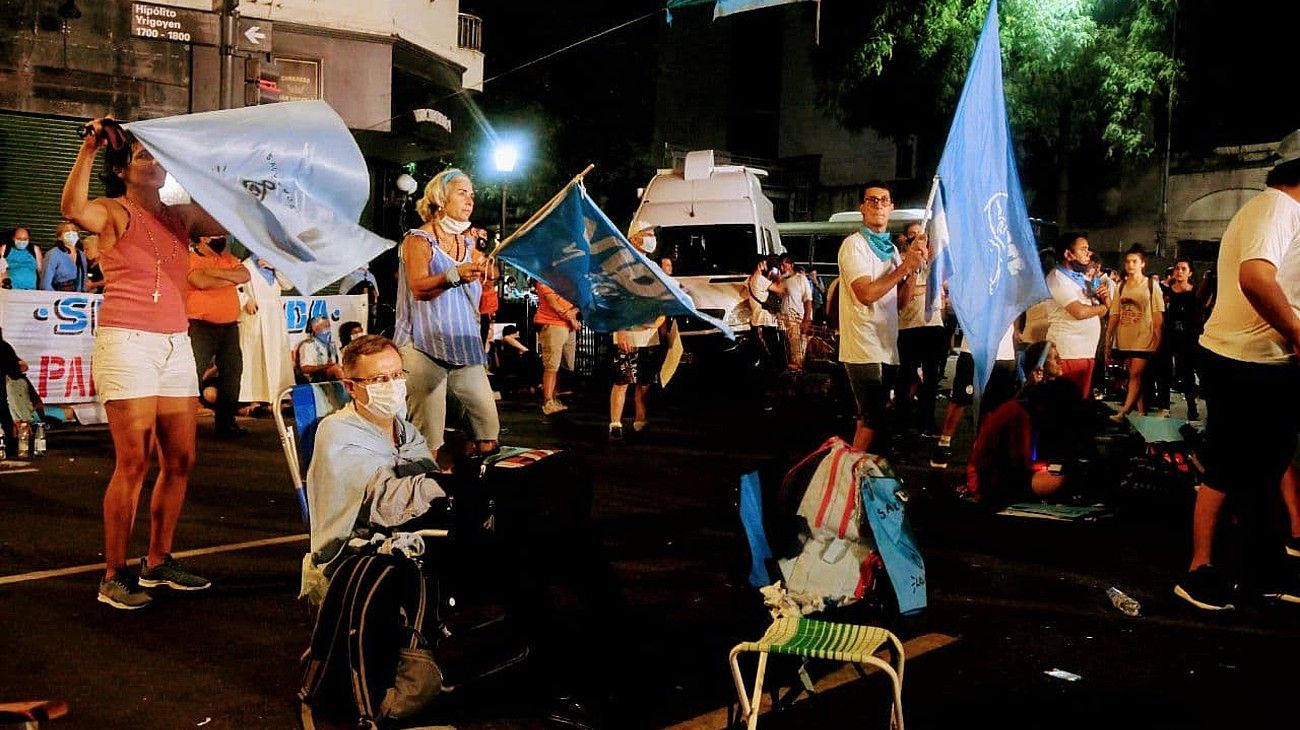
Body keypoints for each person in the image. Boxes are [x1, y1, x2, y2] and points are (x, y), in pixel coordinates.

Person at [62, 117, 225, 609]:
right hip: (127, 341)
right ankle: (114, 574)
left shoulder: (182, 216)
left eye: (157, 156)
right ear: (123, 170)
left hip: (176, 343)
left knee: (181, 459)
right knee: (133, 461)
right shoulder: (113, 211)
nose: (152, 163)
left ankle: (158, 561)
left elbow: (225, 221)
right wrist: (90, 146)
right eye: (142, 157)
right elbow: (71, 208)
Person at [1174, 130, 1300, 611]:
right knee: (1230, 465)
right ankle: (1198, 569)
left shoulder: (1285, 212)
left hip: (1265, 361)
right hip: (1242, 361)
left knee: (1264, 469)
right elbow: (1255, 276)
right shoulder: (1277, 208)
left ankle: (1267, 571)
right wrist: (1296, 332)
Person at [395, 169, 499, 460]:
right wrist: (454, 275)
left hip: (464, 348)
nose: (470, 201)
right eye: (462, 193)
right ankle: (424, 496)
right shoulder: (417, 240)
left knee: (487, 430)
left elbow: (489, 274)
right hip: (421, 346)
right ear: (441, 198)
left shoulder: (468, 245)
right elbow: (418, 287)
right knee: (430, 438)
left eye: (472, 195)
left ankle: (472, 493)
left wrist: (486, 273)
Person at [837, 181, 926, 452]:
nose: (878, 205)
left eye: (883, 200)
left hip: (887, 347)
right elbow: (865, 294)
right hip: (863, 347)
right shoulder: (854, 245)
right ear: (862, 208)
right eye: (871, 200)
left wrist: (912, 269)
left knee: (868, 416)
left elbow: (900, 302)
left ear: (891, 208)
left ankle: (858, 473)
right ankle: (851, 471)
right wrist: (904, 268)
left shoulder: (891, 252)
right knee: (875, 417)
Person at [961, 341, 1085, 505]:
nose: (1060, 361)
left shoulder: (1037, 404)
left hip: (1011, 476)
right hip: (993, 484)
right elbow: (1017, 471)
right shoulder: (1021, 413)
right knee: (1073, 483)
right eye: (1055, 358)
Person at [609, 223, 668, 442]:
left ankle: (640, 420)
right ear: (634, 238)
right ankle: (615, 423)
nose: (652, 238)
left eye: (653, 234)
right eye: (648, 234)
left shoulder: (652, 266)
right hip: (628, 334)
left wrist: (662, 320)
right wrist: (621, 330)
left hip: (649, 335)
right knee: (622, 380)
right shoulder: (621, 265)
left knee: (644, 382)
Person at [929, 324, 1018, 469]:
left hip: (1004, 355)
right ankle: (944, 442)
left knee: (993, 406)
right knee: (960, 399)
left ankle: (981, 449)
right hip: (974, 350)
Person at [187, 235, 250, 437]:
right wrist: (229, 278)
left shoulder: (226, 257)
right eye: (215, 235)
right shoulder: (190, 258)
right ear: (202, 238)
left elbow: (244, 276)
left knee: (233, 374)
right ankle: (182, 425)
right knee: (191, 374)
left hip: (229, 327)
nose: (221, 238)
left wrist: (213, 273)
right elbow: (201, 282)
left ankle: (226, 423)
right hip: (200, 326)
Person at [895, 222, 947, 433]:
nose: (918, 240)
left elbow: (941, 292)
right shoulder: (900, 261)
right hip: (908, 327)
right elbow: (902, 297)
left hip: (933, 326)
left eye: (922, 236)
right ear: (905, 239)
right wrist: (921, 283)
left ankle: (926, 420)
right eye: (912, 236)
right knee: (906, 377)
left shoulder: (933, 264)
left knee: (931, 378)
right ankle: (902, 421)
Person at [1044, 232, 1110, 399]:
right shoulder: (1057, 278)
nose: (1089, 254)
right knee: (1063, 403)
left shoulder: (1084, 277)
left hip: (1086, 353)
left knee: (1079, 405)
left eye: (1088, 249)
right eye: (1083, 249)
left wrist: (1106, 298)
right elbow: (1079, 312)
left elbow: (1104, 304)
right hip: (1067, 354)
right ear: (1068, 254)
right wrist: (1102, 308)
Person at [1103, 244, 1164, 421]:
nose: (1130, 265)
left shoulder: (1151, 285)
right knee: (1134, 377)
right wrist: (1108, 340)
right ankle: (1141, 413)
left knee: (1135, 375)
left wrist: (1157, 339)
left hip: (1144, 338)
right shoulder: (1121, 286)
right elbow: (1114, 315)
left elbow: (1158, 316)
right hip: (1125, 338)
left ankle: (1124, 412)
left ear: (1142, 264)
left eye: (1134, 261)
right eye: (1128, 261)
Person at [237, 255, 294, 417]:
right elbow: (234, 287)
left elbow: (288, 285)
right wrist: (245, 299)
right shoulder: (245, 266)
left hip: (274, 318)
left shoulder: (274, 265)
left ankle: (276, 398)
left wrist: (276, 265)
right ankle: (253, 400)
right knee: (255, 359)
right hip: (255, 316)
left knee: (276, 357)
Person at [1160, 257, 1204, 420]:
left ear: (1190, 273)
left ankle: (1192, 408)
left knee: (1187, 373)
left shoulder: (1195, 292)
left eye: (1183, 269)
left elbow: (1199, 315)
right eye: (1177, 268)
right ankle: (1164, 407)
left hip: (1188, 337)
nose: (1179, 272)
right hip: (1169, 335)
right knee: (1165, 371)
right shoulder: (1166, 291)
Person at [533, 280, 581, 415]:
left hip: (565, 326)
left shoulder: (564, 280)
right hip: (552, 324)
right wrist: (571, 317)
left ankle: (553, 398)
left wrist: (572, 314)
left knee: (557, 365)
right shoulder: (544, 280)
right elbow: (554, 303)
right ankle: (548, 401)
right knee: (552, 365)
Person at [747, 255, 785, 373]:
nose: (766, 265)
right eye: (764, 263)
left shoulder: (752, 278)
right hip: (763, 321)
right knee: (772, 352)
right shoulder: (759, 279)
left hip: (760, 320)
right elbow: (780, 290)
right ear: (760, 264)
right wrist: (779, 277)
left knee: (768, 352)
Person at [777, 254, 813, 371]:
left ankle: (798, 376)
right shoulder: (781, 280)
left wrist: (807, 320)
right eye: (780, 266)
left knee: (797, 351)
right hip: (783, 319)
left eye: (784, 265)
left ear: (791, 265)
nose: (782, 268)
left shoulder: (800, 279)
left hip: (796, 318)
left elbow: (807, 300)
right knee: (786, 352)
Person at [1, 326, 28, 457]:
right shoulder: (5, 347)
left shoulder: (5, 347)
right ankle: (13, 447)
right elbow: (20, 367)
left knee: (8, 418)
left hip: (6, 391)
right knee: (8, 418)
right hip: (6, 391)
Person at [39, 221, 88, 292]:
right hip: (58, 297)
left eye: (74, 230)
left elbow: (84, 281)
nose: (71, 232)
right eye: (67, 230)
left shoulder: (81, 255)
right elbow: (45, 284)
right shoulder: (53, 254)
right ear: (59, 237)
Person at [298, 315, 343, 383]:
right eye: (325, 327)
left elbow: (341, 364)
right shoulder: (308, 345)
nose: (328, 329)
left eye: (329, 326)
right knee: (336, 369)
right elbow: (305, 369)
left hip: (334, 375)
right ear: (315, 329)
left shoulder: (333, 345)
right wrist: (325, 366)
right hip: (316, 379)